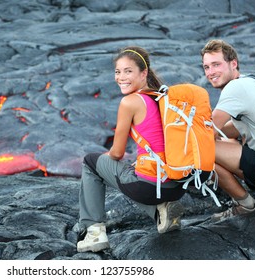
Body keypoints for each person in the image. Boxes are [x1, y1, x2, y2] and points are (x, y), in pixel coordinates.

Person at [76, 46, 185, 253]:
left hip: (151, 186)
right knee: (133, 169)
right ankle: (161, 212)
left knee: (91, 162)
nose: (121, 77)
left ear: (143, 73)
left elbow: (116, 153)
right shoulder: (160, 96)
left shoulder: (130, 102)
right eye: (118, 72)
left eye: (128, 71)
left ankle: (94, 233)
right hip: (176, 184)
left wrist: (106, 164)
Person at [201, 39, 255, 222]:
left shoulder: (234, 88)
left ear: (233, 63)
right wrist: (218, 134)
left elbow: (204, 135)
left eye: (216, 64)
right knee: (221, 143)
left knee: (200, 150)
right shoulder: (250, 81)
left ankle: (246, 206)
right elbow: (235, 127)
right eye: (206, 67)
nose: (211, 72)